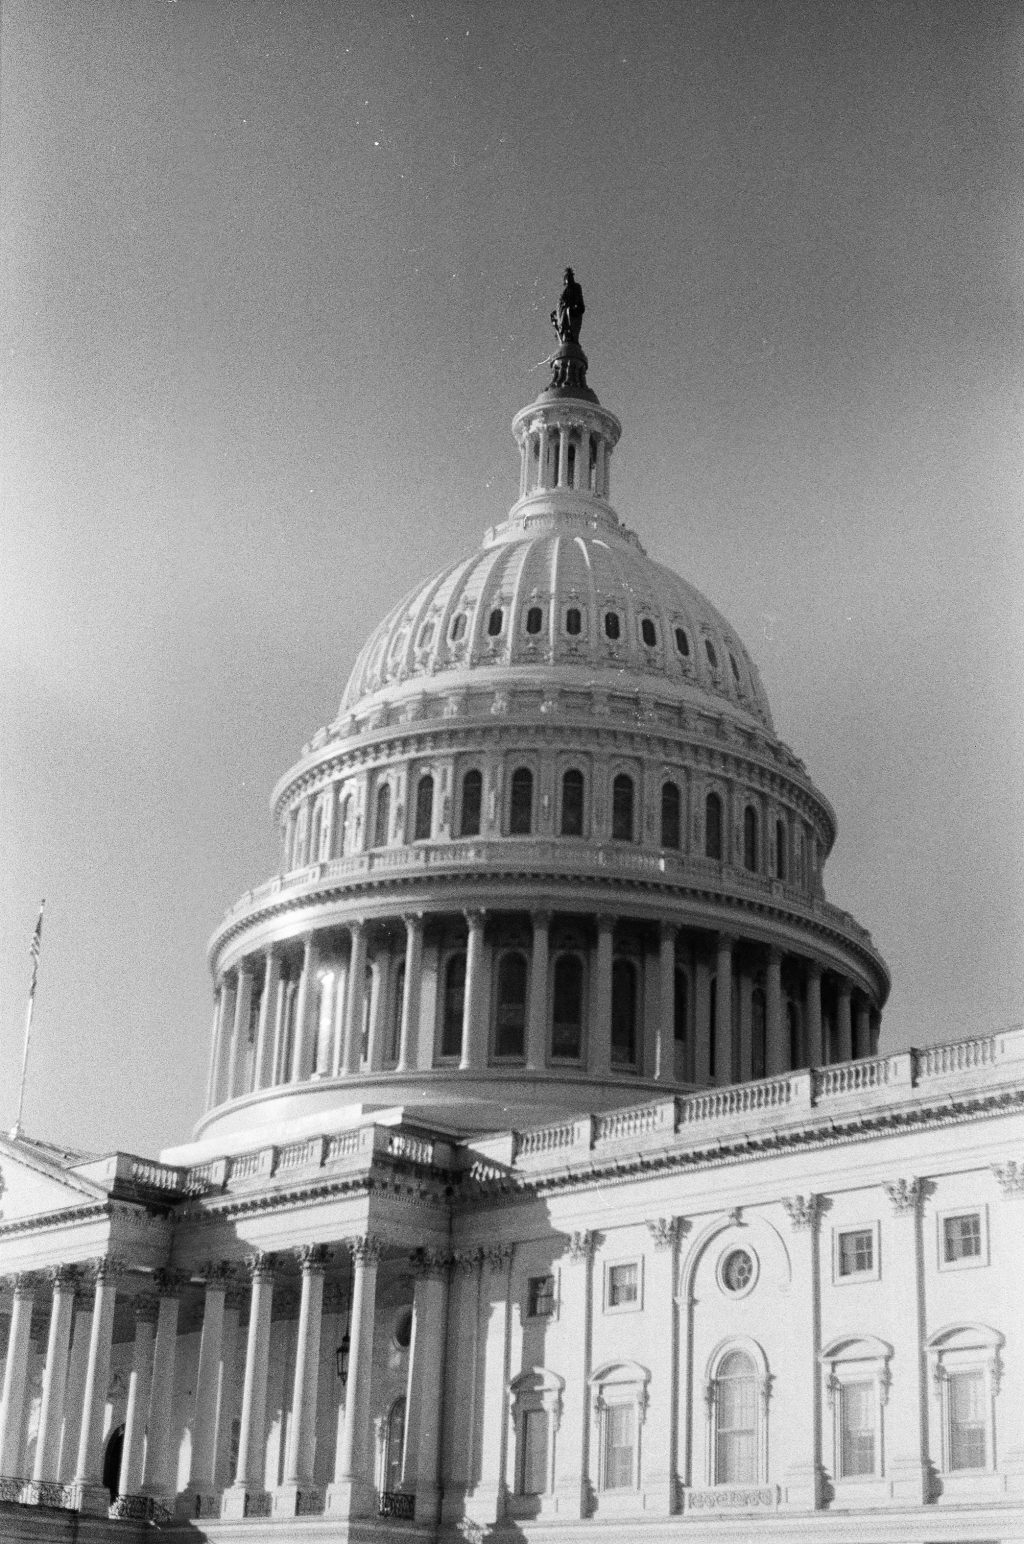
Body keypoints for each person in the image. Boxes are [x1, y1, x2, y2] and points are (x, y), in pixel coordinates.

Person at [550, 266, 585, 344]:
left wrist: (575, 306)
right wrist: (556, 311)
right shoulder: (565, 291)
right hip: (564, 310)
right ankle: (562, 333)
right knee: (557, 316)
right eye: (567, 277)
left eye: (570, 277)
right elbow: (561, 303)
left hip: (573, 310)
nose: (569, 279)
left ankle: (568, 333)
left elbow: (579, 300)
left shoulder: (576, 287)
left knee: (568, 311)